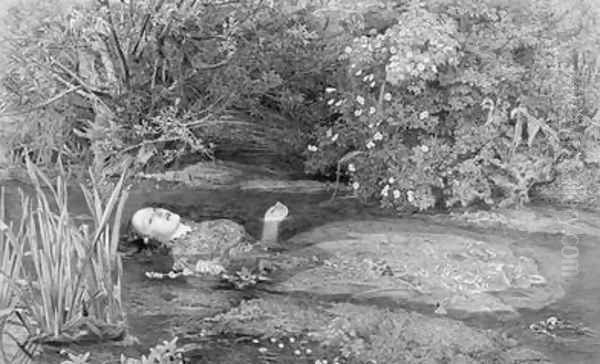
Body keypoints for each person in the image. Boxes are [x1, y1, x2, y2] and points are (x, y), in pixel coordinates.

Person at [129, 202, 288, 280]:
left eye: (156, 210)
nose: (160, 213)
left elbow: (258, 250)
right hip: (270, 272)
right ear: (149, 237)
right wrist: (207, 275)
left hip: (273, 256)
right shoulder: (183, 255)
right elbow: (203, 288)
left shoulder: (198, 225)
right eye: (151, 219)